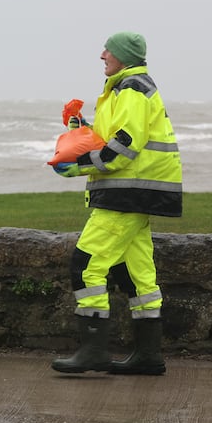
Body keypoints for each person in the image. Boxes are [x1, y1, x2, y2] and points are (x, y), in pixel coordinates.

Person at [50, 32, 182, 376]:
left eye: (109, 50)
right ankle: (148, 356)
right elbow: (114, 138)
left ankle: (94, 352)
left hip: (127, 194)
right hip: (138, 192)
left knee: (86, 264)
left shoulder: (132, 89)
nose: (102, 54)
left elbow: (124, 147)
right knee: (139, 277)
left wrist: (77, 166)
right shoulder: (125, 90)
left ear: (123, 55)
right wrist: (79, 127)